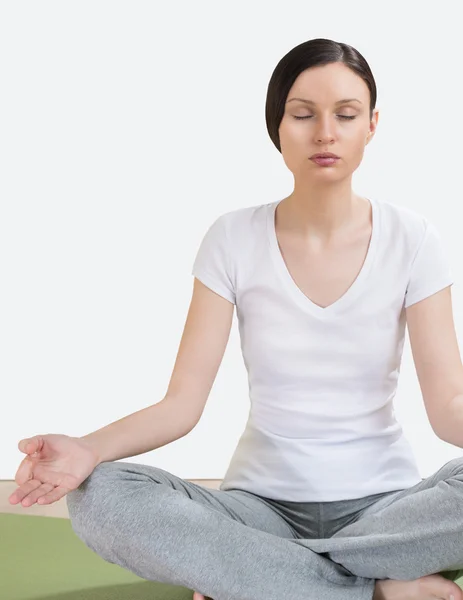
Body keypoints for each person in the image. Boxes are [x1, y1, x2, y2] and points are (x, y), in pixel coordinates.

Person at [9, 38, 463, 600]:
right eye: (303, 115)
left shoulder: (415, 240)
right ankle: (372, 591)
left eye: (345, 115)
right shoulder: (233, 238)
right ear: (277, 126)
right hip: (258, 510)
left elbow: (448, 411)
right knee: (101, 495)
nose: (325, 132)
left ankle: (261, 578)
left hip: (388, 514)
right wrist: (88, 448)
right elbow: (182, 404)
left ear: (371, 125)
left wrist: (227, 570)